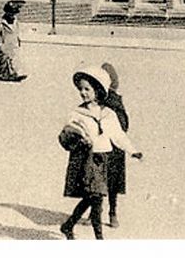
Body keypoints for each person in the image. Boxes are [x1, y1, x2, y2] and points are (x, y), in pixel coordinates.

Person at [60, 65, 142, 240]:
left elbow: (118, 135)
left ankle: (68, 225)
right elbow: (66, 135)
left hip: (103, 160)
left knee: (92, 199)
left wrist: (132, 151)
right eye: (80, 89)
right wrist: (78, 139)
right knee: (96, 200)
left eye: (87, 89)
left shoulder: (108, 113)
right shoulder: (77, 113)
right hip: (87, 161)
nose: (83, 93)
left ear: (98, 90)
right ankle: (99, 239)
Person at [101, 62, 130, 229]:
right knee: (106, 182)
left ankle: (111, 212)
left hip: (112, 146)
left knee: (105, 182)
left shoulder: (113, 100)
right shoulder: (99, 99)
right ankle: (109, 213)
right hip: (108, 146)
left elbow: (123, 124)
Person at [0, 0, 26, 81]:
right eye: (10, 13)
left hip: (14, 42)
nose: (12, 15)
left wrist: (18, 40)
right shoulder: (1, 23)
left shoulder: (15, 21)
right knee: (6, 60)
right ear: (6, 12)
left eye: (14, 13)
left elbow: (17, 31)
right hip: (6, 43)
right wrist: (0, 44)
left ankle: (15, 73)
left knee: (15, 59)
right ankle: (9, 74)